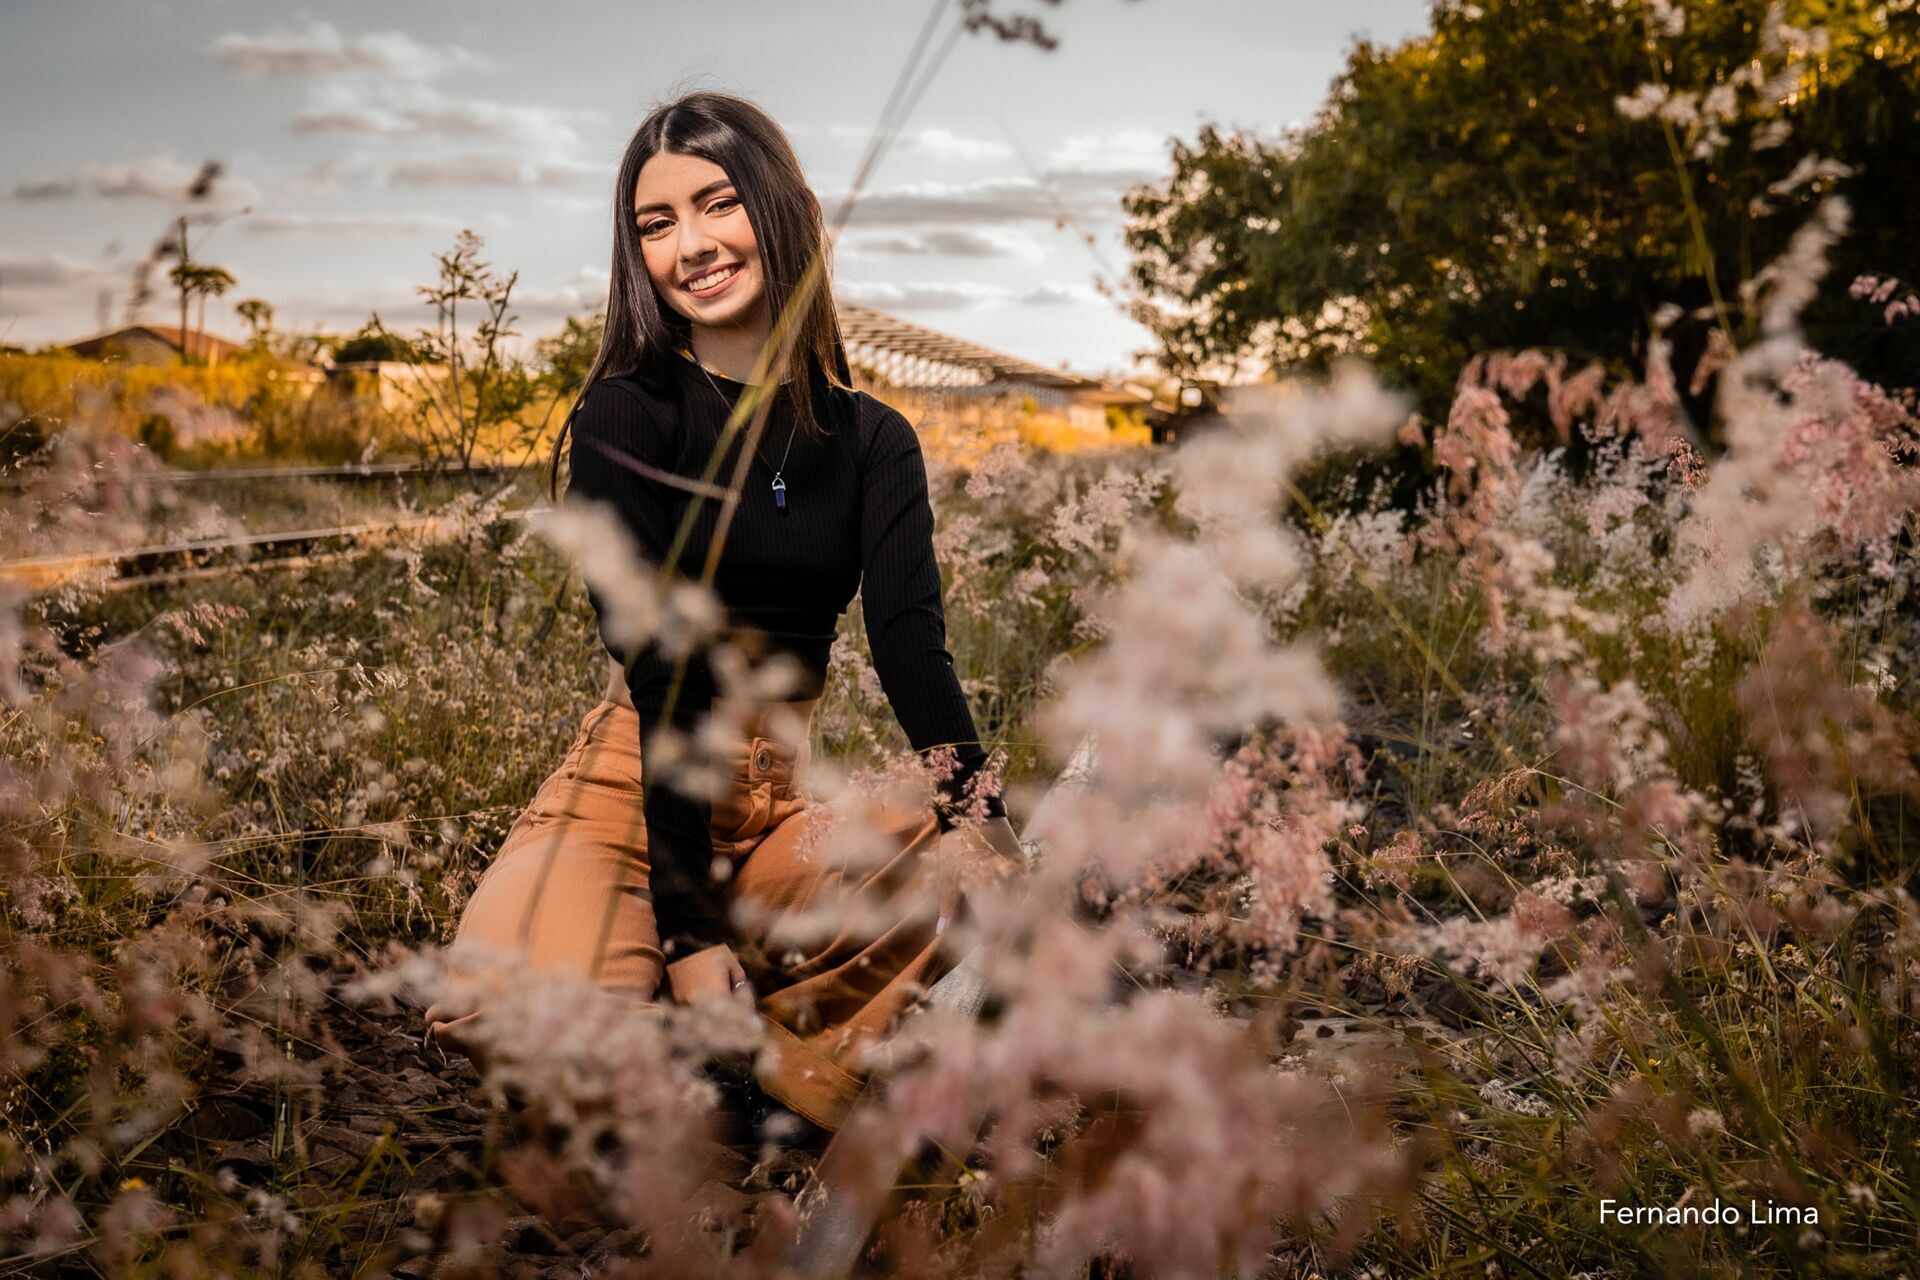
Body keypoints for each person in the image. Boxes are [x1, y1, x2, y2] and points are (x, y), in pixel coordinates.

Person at [422, 89, 1026, 1137]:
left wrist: (998, 837)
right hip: (633, 786)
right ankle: (692, 1021)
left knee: (964, 877)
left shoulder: (876, 440)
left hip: (777, 803)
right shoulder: (624, 414)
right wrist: (689, 933)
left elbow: (910, 647)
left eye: (717, 203)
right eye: (656, 224)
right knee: (513, 1005)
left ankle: (772, 1077)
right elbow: (666, 671)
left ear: (781, 209)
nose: (690, 245)